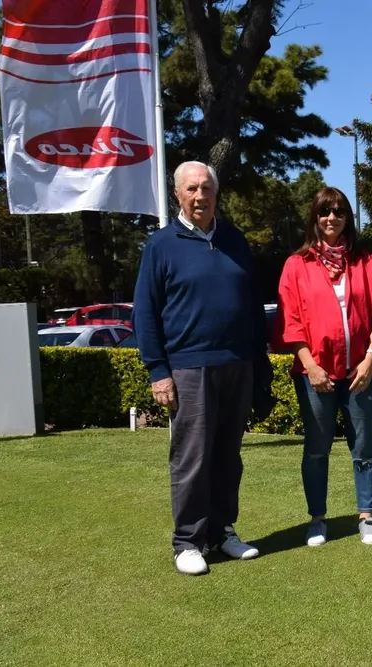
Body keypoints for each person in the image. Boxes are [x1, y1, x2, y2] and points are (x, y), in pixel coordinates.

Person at [133, 160, 271, 575]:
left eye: (206, 188)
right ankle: (188, 542)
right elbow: (145, 313)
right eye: (191, 189)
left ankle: (221, 530)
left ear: (216, 192)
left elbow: (252, 307)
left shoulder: (234, 240)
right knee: (192, 457)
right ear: (177, 194)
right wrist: (158, 371)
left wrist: (259, 364)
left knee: (228, 456)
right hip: (189, 367)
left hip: (237, 364)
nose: (199, 196)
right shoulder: (161, 245)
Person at [273, 187, 372, 547]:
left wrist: (371, 358)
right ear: (315, 217)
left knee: (365, 447)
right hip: (315, 375)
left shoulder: (365, 261)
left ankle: (367, 515)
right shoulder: (297, 265)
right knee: (316, 447)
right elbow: (291, 323)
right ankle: (317, 519)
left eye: (339, 212)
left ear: (347, 218)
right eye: (325, 212)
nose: (332, 218)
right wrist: (310, 366)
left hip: (360, 373)